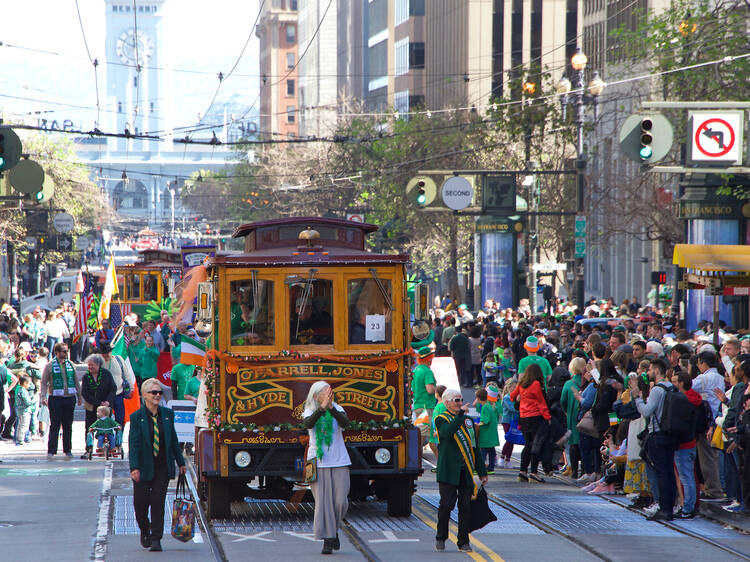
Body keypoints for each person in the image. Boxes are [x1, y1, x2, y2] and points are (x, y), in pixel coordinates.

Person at [129, 377, 187, 552]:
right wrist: (134, 468)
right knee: (140, 504)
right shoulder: (136, 417)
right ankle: (144, 529)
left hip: (162, 465)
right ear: (144, 395)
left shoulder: (167, 415)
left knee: (157, 502)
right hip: (144, 466)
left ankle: (156, 538)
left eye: (159, 392)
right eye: (153, 392)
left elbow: (174, 440)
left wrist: (181, 462)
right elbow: (134, 444)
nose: (157, 395)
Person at [434, 388, 488, 553]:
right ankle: (441, 536)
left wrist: (481, 471)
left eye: (460, 400)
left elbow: (474, 447)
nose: (459, 403)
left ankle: (463, 541)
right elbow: (447, 434)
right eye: (456, 400)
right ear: (447, 402)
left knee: (465, 507)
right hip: (448, 471)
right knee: (446, 505)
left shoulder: (468, 421)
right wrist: (459, 417)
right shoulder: (441, 419)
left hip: (465, 471)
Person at [302, 381, 351, 555]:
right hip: (316, 461)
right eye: (324, 390)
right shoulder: (309, 410)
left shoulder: (338, 408)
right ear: (316, 395)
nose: (329, 391)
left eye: (329, 389)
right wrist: (321, 409)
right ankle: (328, 540)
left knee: (340, 501)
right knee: (323, 502)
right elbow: (308, 424)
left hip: (339, 460)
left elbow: (346, 424)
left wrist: (331, 408)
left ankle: (333, 529)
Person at [629, 358, 676, 521]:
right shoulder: (671, 387)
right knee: (669, 472)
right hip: (670, 434)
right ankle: (670, 506)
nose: (648, 373)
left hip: (657, 434)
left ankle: (664, 509)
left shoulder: (657, 390)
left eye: (649, 370)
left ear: (657, 370)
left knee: (661, 473)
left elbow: (646, 411)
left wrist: (637, 397)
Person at [510, 363, 552, 482]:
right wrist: (547, 417)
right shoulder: (536, 384)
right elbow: (541, 402)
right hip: (535, 417)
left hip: (523, 418)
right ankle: (533, 473)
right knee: (536, 445)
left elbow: (512, 396)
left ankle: (522, 472)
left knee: (528, 444)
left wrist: (521, 398)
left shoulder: (522, 384)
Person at [41, 342, 82, 457]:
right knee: (55, 425)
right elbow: (44, 382)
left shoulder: (71, 364)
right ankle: (51, 450)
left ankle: (67, 449)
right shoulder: (49, 366)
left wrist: (79, 396)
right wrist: (43, 397)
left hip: (69, 397)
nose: (66, 353)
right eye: (64, 351)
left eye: (67, 351)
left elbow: (76, 381)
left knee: (68, 425)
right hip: (55, 398)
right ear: (57, 353)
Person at [80, 354, 117, 458]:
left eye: (93, 365)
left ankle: (110, 447)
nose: (90, 367)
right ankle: (88, 449)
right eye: (89, 365)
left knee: (107, 428)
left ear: (99, 365)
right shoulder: (86, 376)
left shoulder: (106, 374)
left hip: (105, 406)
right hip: (92, 407)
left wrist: (107, 401)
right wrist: (97, 402)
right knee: (89, 428)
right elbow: (85, 393)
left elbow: (113, 388)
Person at [560, 357, 586, 479]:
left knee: (574, 444)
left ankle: (575, 471)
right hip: (586, 417)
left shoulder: (569, 384)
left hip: (573, 416)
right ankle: (586, 470)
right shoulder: (588, 382)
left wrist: (566, 412)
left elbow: (563, 401)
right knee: (586, 444)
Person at [412, 346, 438, 458]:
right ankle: (415, 460)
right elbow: (430, 389)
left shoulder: (416, 370)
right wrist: (440, 389)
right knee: (424, 436)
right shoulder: (427, 371)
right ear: (429, 358)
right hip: (427, 407)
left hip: (418, 405)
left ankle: (439, 459)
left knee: (427, 435)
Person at [475, 388, 500, 474]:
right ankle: (491, 467)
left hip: (486, 434)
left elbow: (485, 420)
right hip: (492, 432)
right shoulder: (489, 406)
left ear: (478, 398)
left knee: (483, 451)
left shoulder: (485, 407)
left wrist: (478, 424)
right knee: (491, 451)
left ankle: (480, 468)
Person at [14, 375, 34, 446]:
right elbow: (28, 402)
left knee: (20, 425)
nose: (29, 385)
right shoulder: (23, 391)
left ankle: (17, 438)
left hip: (19, 410)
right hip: (25, 411)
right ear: (25, 383)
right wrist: (33, 400)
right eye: (29, 383)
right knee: (24, 425)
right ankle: (21, 440)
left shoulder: (18, 389)